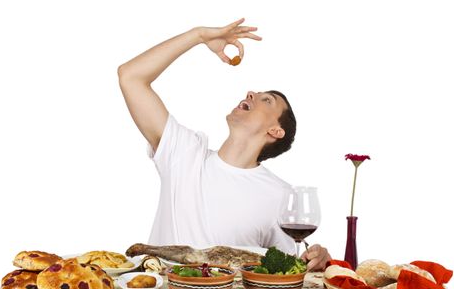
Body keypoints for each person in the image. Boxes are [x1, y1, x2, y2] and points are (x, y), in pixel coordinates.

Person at [118, 18, 331, 271]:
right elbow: (130, 76)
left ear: (275, 131)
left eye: (267, 100)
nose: (251, 93)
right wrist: (198, 35)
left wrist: (319, 258)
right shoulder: (184, 153)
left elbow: (285, 270)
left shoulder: (281, 195)